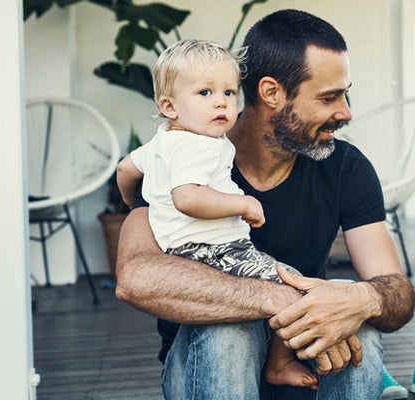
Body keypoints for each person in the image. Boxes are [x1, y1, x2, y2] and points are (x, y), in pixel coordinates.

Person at [114, 9, 415, 399]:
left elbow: (396, 291)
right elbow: (136, 277)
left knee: (353, 315)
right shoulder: (178, 156)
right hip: (207, 370)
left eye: (345, 94)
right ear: (272, 93)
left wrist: (361, 300)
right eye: (329, 97)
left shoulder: (345, 167)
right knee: (231, 329)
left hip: (302, 365)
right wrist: (278, 299)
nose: (345, 112)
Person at [115, 38, 318, 389]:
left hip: (182, 253)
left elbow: (124, 170)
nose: (221, 101)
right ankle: (280, 363)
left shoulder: (163, 140)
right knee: (295, 285)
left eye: (229, 92)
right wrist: (244, 204)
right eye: (205, 93)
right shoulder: (198, 146)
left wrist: (138, 202)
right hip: (217, 251)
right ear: (169, 106)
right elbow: (188, 198)